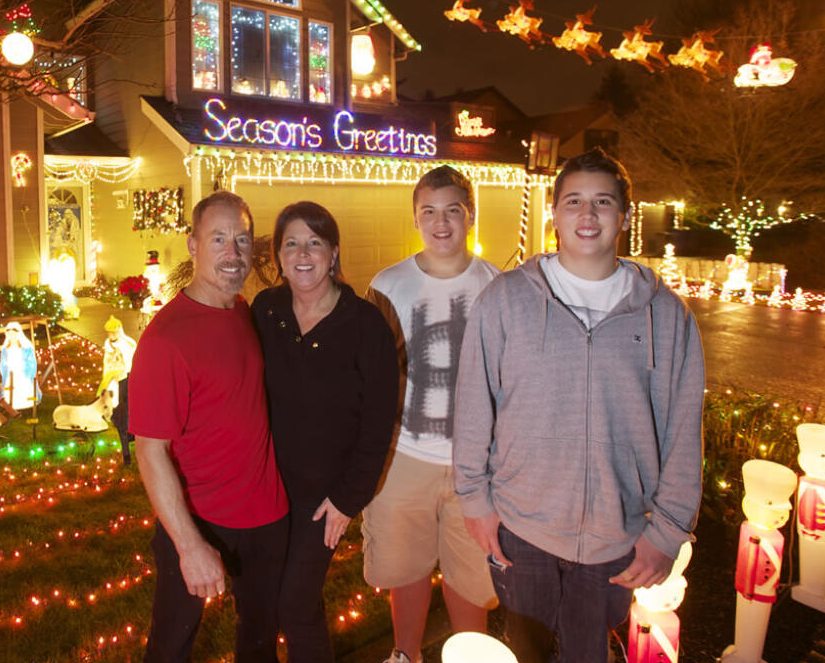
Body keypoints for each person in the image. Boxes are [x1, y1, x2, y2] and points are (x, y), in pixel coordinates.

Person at [453, 148, 705, 663]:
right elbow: (474, 406)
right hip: (522, 529)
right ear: (554, 213)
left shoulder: (666, 315)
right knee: (527, 651)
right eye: (573, 202)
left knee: (591, 653)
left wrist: (670, 530)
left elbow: (682, 427)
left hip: (619, 536)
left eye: (602, 202)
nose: (587, 216)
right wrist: (475, 503)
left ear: (625, 216)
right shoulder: (505, 300)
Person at [129, 191, 289, 663]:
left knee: (259, 643)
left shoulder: (242, 312)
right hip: (202, 519)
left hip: (267, 518)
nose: (233, 253)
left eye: (241, 239)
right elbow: (150, 451)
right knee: (171, 646)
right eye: (218, 238)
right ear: (192, 245)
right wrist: (189, 544)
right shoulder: (166, 340)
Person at [362, 165, 500, 663]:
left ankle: (470, 655)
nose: (440, 223)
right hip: (404, 456)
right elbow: (370, 376)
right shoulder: (389, 284)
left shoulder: (500, 287)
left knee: (470, 572)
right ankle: (407, 654)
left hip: (476, 464)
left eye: (452, 211)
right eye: (428, 212)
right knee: (407, 568)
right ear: (415, 218)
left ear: (471, 215)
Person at [251, 201, 398, 662]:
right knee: (281, 601)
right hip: (267, 491)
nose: (302, 253)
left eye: (314, 242)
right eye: (291, 243)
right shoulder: (266, 310)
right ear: (277, 255)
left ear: (333, 253)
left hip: (323, 502)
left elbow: (378, 423)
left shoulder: (365, 325)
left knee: (293, 603)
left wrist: (347, 499)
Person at [101, 315, 137, 465]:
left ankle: (129, 429)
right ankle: (119, 423)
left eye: (114, 332)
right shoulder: (107, 344)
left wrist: (122, 372)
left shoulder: (125, 344)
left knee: (126, 404)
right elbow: (106, 360)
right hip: (111, 378)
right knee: (114, 405)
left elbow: (128, 361)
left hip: (124, 377)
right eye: (110, 333)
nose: (112, 335)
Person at [0, 320, 38, 416]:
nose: (12, 336)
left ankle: (26, 405)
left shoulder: (26, 347)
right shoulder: (5, 348)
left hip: (22, 372)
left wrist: (27, 370)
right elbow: (3, 361)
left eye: (13, 334)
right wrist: (3, 366)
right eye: (10, 334)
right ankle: (11, 405)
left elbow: (31, 361)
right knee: (10, 389)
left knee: (23, 388)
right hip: (10, 373)